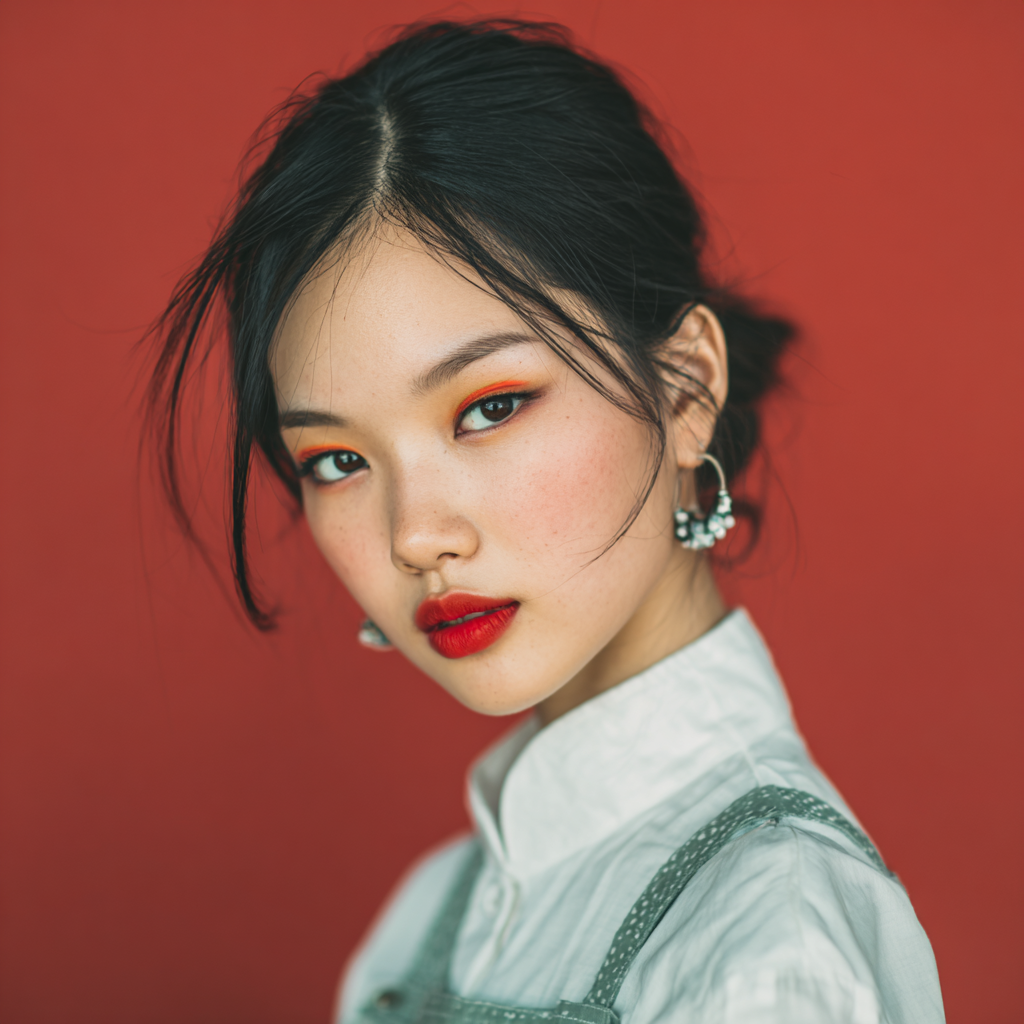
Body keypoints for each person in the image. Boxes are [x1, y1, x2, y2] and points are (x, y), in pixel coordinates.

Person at [148, 20, 944, 1024]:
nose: (414, 536)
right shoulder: (425, 921)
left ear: (685, 388)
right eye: (338, 461)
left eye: (488, 407)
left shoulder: (769, 946)